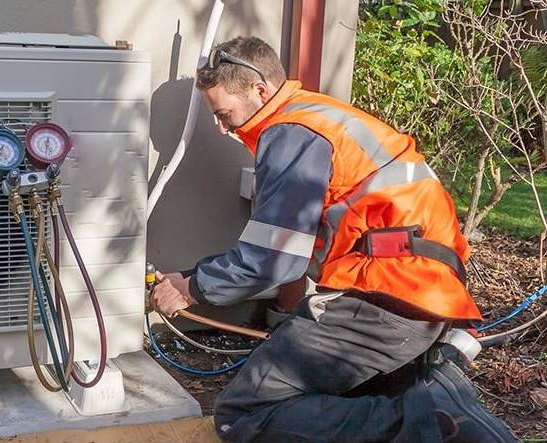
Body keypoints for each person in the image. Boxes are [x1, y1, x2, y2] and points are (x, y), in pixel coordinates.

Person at [149, 36, 519, 442]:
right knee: (350, 402)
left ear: (259, 89)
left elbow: (272, 259)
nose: (223, 129)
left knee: (245, 413)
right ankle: (426, 399)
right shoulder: (321, 117)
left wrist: (193, 286)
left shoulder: (292, 131)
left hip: (383, 300)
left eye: (225, 114)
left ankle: (434, 418)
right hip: (421, 296)